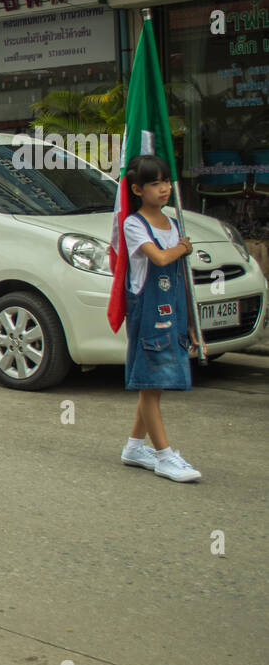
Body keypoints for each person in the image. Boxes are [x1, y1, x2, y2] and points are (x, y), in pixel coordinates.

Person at [119, 154, 205, 483]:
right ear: (138, 189)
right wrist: (182, 248)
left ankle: (134, 447)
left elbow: (181, 277)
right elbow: (159, 258)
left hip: (174, 314)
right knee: (151, 385)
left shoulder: (174, 223)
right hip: (149, 318)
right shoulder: (134, 224)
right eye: (155, 183)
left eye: (166, 181)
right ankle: (165, 456)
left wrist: (192, 326)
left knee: (154, 387)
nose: (164, 188)